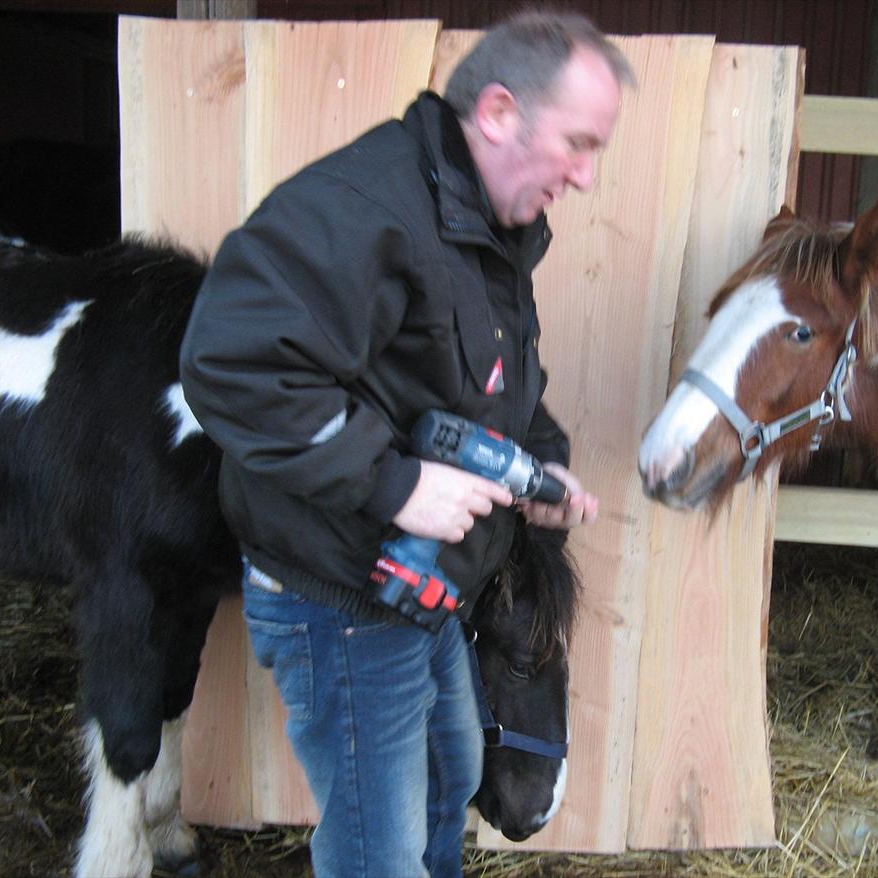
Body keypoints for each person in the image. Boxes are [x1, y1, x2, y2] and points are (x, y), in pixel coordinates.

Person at [179, 10, 634, 878]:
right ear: (499, 112)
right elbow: (231, 362)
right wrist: (395, 486)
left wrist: (540, 466)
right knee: (376, 850)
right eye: (577, 143)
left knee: (452, 774)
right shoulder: (365, 209)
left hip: (420, 590)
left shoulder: (484, 228)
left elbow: (489, 387)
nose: (583, 175)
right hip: (338, 597)